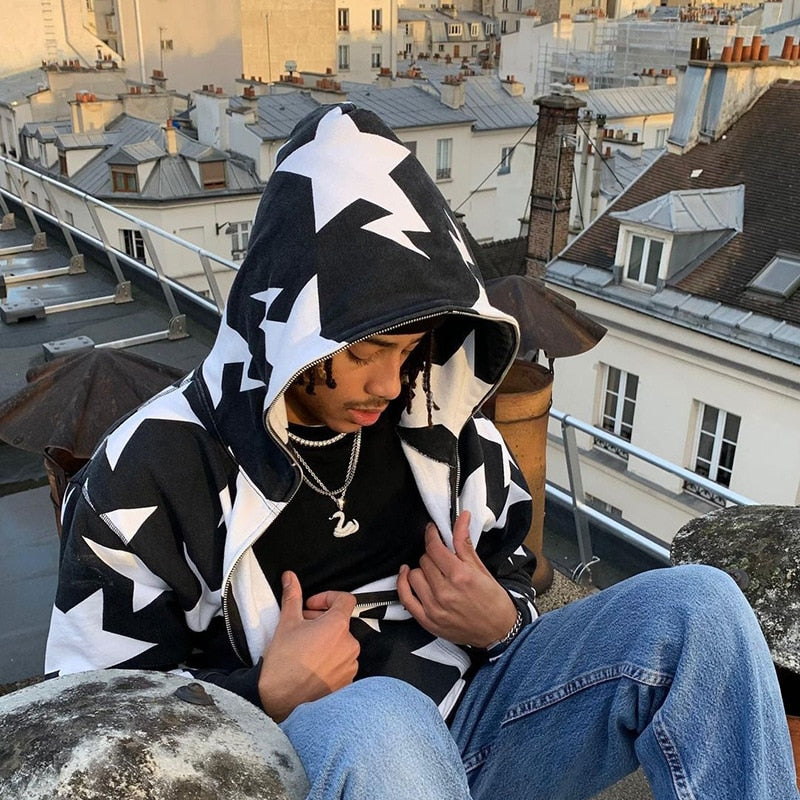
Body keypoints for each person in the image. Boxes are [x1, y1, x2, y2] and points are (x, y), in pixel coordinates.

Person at [46, 103, 798, 800]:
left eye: (409, 349)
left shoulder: (438, 419)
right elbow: (96, 721)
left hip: (479, 731)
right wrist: (263, 693)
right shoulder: (152, 470)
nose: (389, 380)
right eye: (369, 347)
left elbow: (509, 564)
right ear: (293, 330)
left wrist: (502, 618)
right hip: (305, 764)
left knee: (699, 605)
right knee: (380, 717)